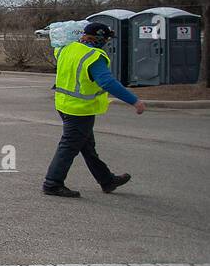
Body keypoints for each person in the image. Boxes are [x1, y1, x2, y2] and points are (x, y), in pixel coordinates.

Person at [43, 22, 145, 198]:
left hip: (64, 105)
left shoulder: (67, 48)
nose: (107, 42)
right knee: (69, 147)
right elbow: (107, 82)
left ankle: (107, 180)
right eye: (106, 38)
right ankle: (52, 183)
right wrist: (134, 101)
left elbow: (58, 48)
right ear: (100, 39)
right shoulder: (94, 56)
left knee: (87, 146)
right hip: (80, 110)